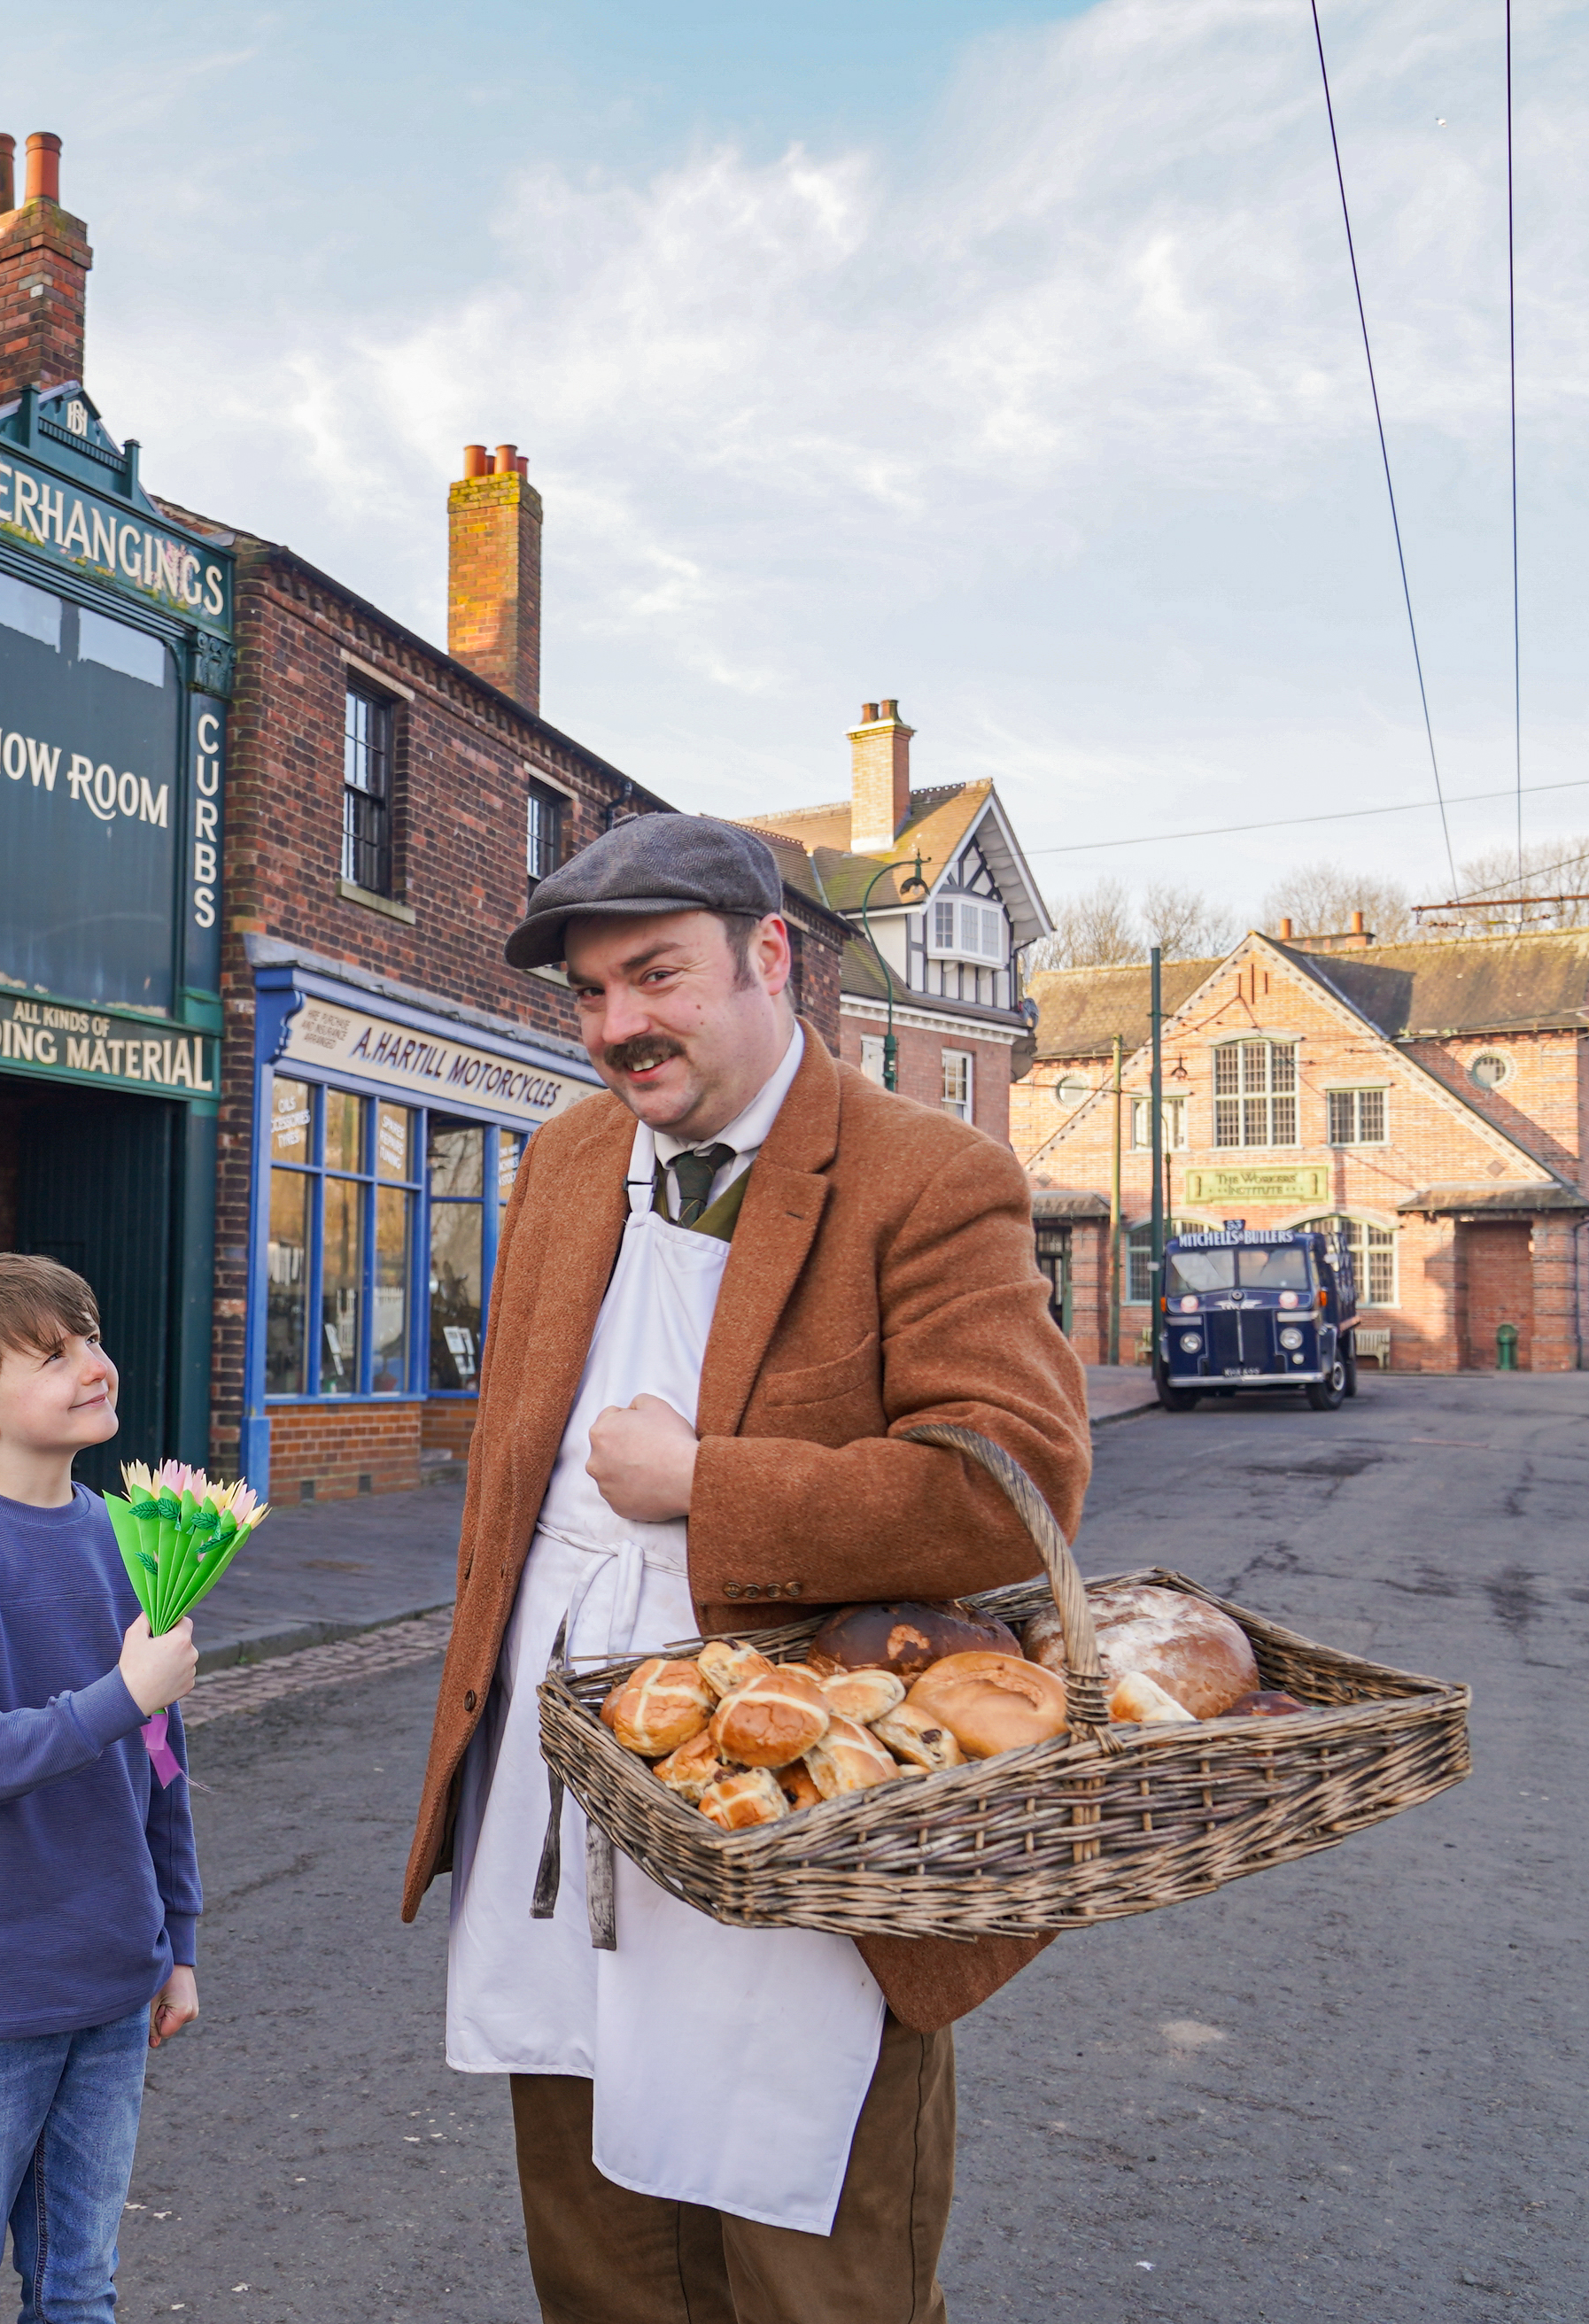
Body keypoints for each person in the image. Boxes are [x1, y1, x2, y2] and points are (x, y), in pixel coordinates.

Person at [403, 815, 1091, 2324]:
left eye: (655, 974)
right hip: (558, 1792)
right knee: (600, 2259)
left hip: (799, 1822)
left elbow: (1014, 1478)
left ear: (769, 955)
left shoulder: (930, 1171)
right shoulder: (567, 1156)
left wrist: (703, 1484)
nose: (618, 1024)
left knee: (809, 2268)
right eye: (588, 993)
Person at [0, 1253, 201, 2324]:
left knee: (81, 2286)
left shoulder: (129, 1533)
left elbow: (162, 1762)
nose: (94, 1364)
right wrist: (121, 1692)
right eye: (54, 1352)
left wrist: (180, 1938)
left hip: (113, 1978)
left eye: (93, 1337)